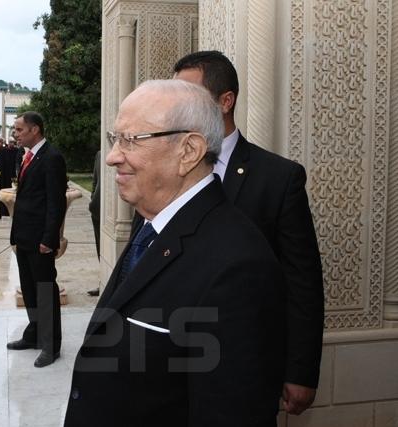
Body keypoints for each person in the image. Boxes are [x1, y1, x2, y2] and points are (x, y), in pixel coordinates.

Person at [63, 80, 286, 426]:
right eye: (115, 138)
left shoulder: (239, 266)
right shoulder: (151, 225)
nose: (112, 156)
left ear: (189, 151)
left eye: (131, 140)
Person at [173, 50, 324, 415]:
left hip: (244, 366)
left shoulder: (278, 178)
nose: (176, 108)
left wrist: (301, 371)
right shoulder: (166, 169)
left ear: (226, 101)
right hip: (172, 361)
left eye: (187, 98)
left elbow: (302, 281)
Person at [7, 111, 67, 368]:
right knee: (29, 289)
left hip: (41, 240)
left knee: (44, 291)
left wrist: (49, 239)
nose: (15, 134)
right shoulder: (26, 156)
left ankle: (51, 345)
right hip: (24, 237)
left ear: (35, 130)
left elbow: (56, 202)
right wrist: (15, 235)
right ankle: (34, 335)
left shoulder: (52, 158)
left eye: (19, 129)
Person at [87, 150, 101, 297]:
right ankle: (103, 280)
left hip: (112, 211)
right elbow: (95, 181)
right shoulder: (99, 154)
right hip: (97, 210)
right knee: (100, 248)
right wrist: (92, 199)